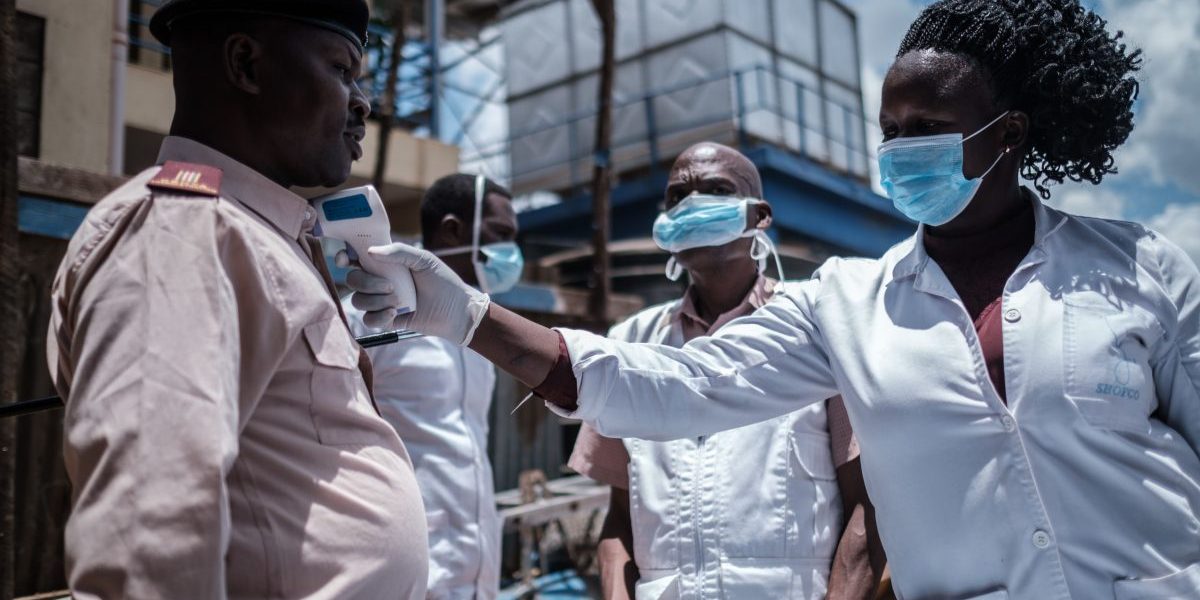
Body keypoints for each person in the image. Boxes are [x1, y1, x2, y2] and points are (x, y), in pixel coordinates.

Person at [348, 0, 1200, 598]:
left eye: (923, 131)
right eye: (889, 131)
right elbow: (668, 387)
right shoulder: (847, 306)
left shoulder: (1141, 270)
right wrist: (465, 315)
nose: (897, 151)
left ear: (1006, 135)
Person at [46, 1, 428, 597]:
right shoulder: (179, 233)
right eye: (341, 69)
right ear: (246, 63)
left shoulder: (251, 231)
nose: (362, 102)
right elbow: (150, 539)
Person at [568, 142, 885, 599]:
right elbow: (620, 519)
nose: (694, 205)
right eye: (678, 197)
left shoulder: (818, 329)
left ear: (759, 215)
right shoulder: (627, 344)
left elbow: (865, 505)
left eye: (717, 190)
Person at [343, 173, 520, 599]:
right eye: (501, 235)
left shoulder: (482, 327)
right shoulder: (372, 312)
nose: (513, 251)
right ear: (453, 230)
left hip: (479, 572)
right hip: (411, 570)